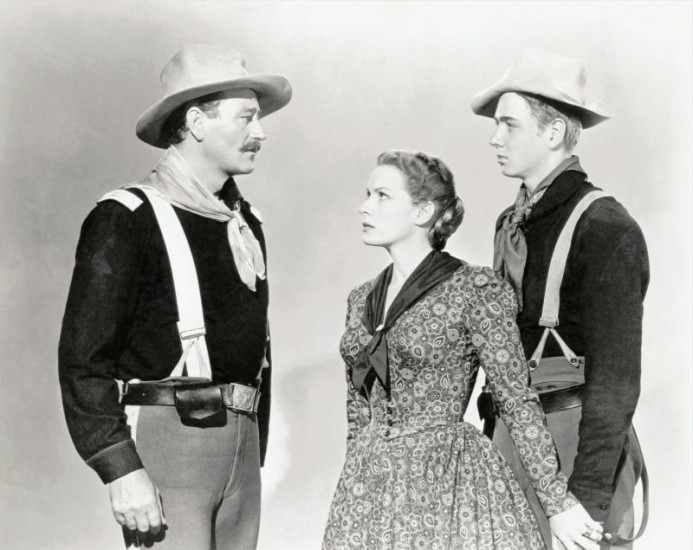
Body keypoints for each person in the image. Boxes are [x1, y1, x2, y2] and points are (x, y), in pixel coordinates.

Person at [58, 44, 292, 549]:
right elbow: (83, 362)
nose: (261, 132)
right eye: (247, 117)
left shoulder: (245, 225)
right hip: (172, 441)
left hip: (241, 450)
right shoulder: (127, 217)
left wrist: (252, 453)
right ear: (196, 122)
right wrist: (120, 468)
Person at [322, 150, 603, 550]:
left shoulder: (474, 289)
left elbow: (516, 399)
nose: (365, 207)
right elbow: (359, 412)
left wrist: (556, 503)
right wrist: (355, 488)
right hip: (369, 488)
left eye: (382, 196)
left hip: (443, 478)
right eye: (368, 194)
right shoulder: (361, 299)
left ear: (423, 212)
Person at [471, 49, 649, 549]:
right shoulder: (510, 224)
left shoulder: (606, 226)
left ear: (552, 133)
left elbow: (616, 383)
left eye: (508, 124)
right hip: (510, 444)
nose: (494, 137)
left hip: (577, 452)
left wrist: (586, 501)